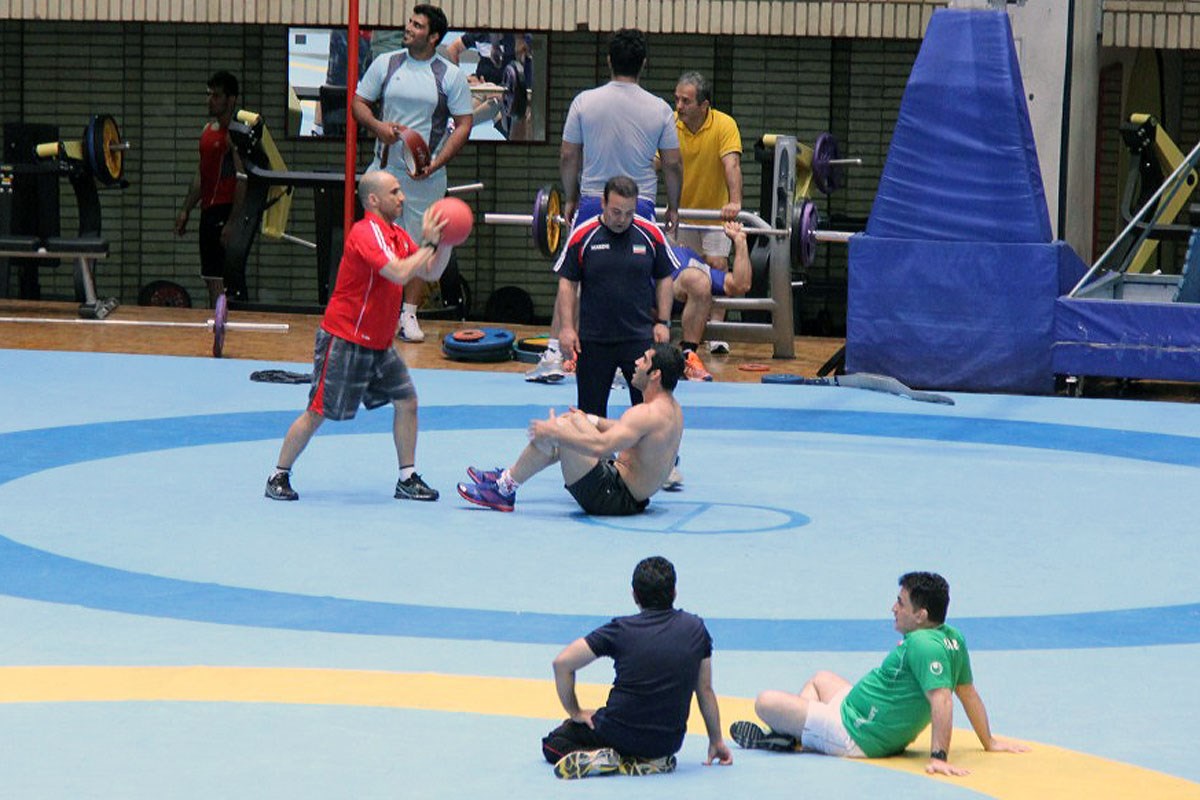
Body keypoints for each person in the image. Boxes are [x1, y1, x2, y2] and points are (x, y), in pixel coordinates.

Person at [264, 170, 449, 503]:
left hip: (379, 344)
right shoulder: (365, 233)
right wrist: (430, 244)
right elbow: (399, 272)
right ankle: (278, 474)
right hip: (345, 339)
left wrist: (446, 242)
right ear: (374, 200)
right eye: (395, 192)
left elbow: (429, 270)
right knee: (317, 412)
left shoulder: (396, 235)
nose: (402, 198)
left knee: (407, 402)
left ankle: (407, 478)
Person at [729, 572, 1030, 777]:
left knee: (765, 702)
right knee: (821, 678)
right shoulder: (951, 637)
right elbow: (968, 692)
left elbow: (943, 700)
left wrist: (938, 758)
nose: (893, 608)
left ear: (921, 615)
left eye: (901, 603)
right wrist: (988, 741)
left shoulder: (923, 645)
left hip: (855, 734)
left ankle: (796, 737)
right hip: (858, 713)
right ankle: (792, 735)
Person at [526, 28, 683, 382]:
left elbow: (568, 155)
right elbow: (673, 164)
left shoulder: (584, 102)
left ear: (609, 60)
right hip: (639, 207)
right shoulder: (660, 109)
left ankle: (554, 354)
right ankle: (630, 363)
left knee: (572, 277)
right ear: (644, 63)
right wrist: (674, 207)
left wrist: (570, 197)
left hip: (594, 203)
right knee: (636, 281)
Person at [532, 556, 733, 779]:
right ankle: (647, 761)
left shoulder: (621, 630)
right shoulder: (696, 628)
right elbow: (705, 690)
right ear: (674, 592)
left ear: (635, 595)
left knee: (554, 742)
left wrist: (575, 712)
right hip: (667, 743)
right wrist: (716, 741)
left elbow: (562, 663)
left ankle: (609, 759)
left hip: (618, 733)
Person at [353, 4, 473, 343]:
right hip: (384, 171)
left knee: (420, 244)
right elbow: (359, 103)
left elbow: (464, 124)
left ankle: (408, 315)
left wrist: (437, 162)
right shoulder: (385, 63)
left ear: (433, 37)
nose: (408, 28)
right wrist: (378, 127)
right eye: (410, 22)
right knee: (378, 243)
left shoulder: (449, 75)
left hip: (426, 177)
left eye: (417, 26)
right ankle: (379, 312)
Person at [456, 343, 685, 516]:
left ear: (655, 374)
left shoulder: (645, 413)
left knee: (562, 428)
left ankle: (504, 489)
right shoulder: (670, 409)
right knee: (573, 420)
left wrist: (556, 433)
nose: (636, 362)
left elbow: (602, 445)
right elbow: (631, 432)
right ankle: (509, 477)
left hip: (612, 497)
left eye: (644, 360)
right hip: (630, 493)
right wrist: (590, 419)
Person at [557, 176, 677, 419]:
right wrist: (567, 328)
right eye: (616, 212)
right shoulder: (583, 235)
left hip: (639, 339)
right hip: (594, 340)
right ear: (603, 203)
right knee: (590, 416)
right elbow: (567, 282)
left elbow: (665, 278)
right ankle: (594, 447)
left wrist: (663, 322)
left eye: (629, 213)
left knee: (648, 413)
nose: (622, 219)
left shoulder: (650, 233)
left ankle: (644, 448)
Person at [672, 71, 744, 356]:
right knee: (686, 276)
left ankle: (716, 331)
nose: (679, 106)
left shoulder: (725, 125)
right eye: (677, 99)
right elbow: (653, 162)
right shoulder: (670, 124)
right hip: (684, 214)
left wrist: (735, 202)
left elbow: (732, 165)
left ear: (704, 105)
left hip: (716, 215)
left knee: (717, 266)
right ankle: (689, 333)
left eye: (686, 101)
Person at [174, 70, 246, 307]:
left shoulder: (234, 135)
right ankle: (218, 317)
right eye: (209, 95)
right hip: (208, 212)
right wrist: (186, 209)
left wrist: (232, 222)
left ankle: (222, 321)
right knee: (210, 276)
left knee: (220, 277)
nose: (210, 100)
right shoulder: (207, 131)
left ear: (231, 99)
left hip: (225, 210)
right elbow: (201, 175)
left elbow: (242, 179)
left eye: (216, 96)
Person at [669, 220, 753, 382]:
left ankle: (689, 356)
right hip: (645, 295)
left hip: (679, 281)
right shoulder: (657, 258)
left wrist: (740, 242)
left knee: (698, 281)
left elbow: (741, 284)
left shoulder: (694, 266)